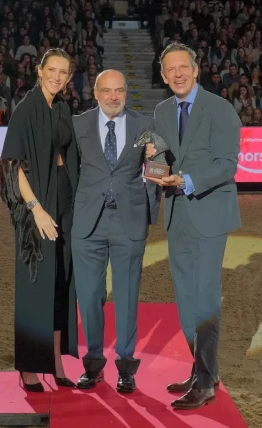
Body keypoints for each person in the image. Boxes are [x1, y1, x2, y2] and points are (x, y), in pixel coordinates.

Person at [145, 42, 242, 410]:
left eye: (183, 66)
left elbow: (226, 165)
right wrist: (153, 162)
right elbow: (161, 157)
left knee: (204, 299)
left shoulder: (220, 109)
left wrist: (185, 181)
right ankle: (204, 369)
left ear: (197, 69)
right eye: (170, 69)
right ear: (164, 75)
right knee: (186, 302)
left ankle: (205, 382)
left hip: (209, 214)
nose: (178, 73)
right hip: (177, 216)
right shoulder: (161, 110)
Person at [70, 70, 160, 394]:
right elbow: (67, 170)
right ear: (95, 94)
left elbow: (159, 168)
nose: (113, 96)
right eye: (106, 91)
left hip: (129, 222)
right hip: (87, 224)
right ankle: (93, 365)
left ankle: (126, 368)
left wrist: (148, 210)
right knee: (90, 297)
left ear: (125, 92)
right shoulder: (78, 124)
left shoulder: (144, 124)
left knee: (126, 296)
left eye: (119, 90)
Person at [0, 48, 80, 392]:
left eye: (64, 72)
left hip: (64, 201)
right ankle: (30, 366)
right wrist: (36, 208)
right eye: (53, 70)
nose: (57, 77)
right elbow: (11, 166)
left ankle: (56, 361)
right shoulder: (26, 109)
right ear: (39, 70)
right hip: (37, 206)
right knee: (35, 283)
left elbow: (68, 152)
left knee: (61, 281)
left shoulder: (61, 107)